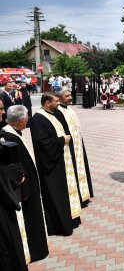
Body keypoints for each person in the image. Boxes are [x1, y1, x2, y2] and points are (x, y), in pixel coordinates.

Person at [30, 93, 81, 236]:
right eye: (56, 101)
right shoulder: (38, 119)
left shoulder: (52, 113)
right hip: (50, 165)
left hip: (61, 161)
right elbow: (43, 144)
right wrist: (61, 140)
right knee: (55, 194)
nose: (59, 103)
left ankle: (70, 220)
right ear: (47, 103)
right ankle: (59, 226)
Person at [2, 105, 49, 262]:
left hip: (29, 186)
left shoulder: (13, 133)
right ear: (20, 120)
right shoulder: (9, 137)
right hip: (25, 191)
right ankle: (35, 251)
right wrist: (25, 191)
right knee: (30, 221)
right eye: (27, 117)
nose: (28, 119)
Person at [54, 90, 94, 206]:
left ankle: (84, 195)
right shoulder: (58, 111)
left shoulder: (69, 108)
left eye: (70, 95)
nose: (70, 98)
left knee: (82, 168)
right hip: (70, 146)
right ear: (59, 98)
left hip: (78, 144)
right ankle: (78, 197)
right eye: (66, 96)